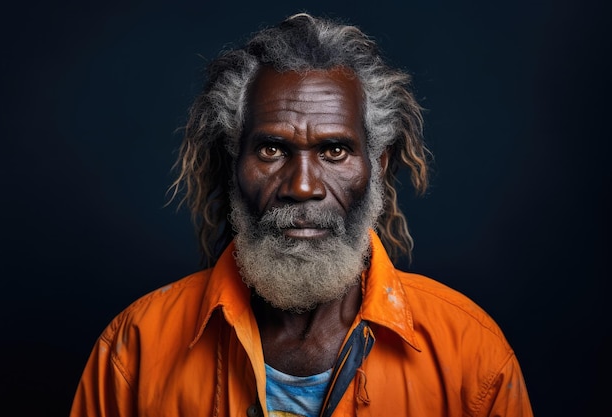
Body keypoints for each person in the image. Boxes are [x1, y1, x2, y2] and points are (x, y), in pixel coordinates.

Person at [70, 13, 533, 417]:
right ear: (233, 161)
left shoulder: (472, 357)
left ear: (379, 164)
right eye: (271, 149)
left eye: (334, 150)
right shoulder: (135, 349)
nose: (303, 187)